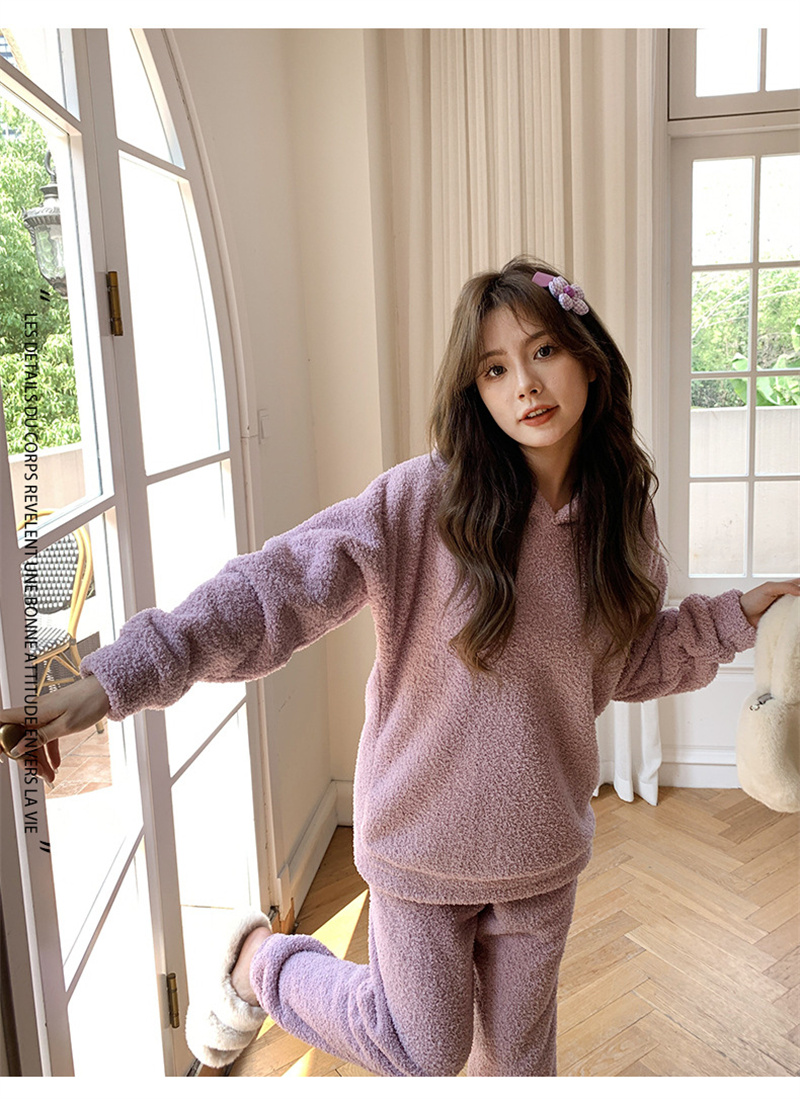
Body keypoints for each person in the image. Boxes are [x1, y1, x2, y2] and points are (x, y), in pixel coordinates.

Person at [2, 257, 798, 1077]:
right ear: (475, 390)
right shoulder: (423, 502)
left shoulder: (624, 522)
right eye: (495, 369)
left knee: (521, 1070)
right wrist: (115, 677)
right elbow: (272, 590)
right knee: (421, 1047)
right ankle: (257, 960)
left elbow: (621, 662)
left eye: (544, 351)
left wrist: (736, 618)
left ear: (589, 358)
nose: (525, 384)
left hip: (543, 849)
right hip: (422, 841)